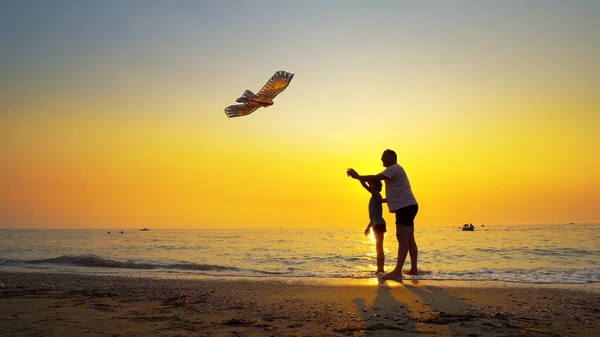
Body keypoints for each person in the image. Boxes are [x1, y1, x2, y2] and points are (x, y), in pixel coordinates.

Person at [347, 149, 419, 281]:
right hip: (409, 205)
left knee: (402, 239)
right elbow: (391, 194)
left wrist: (358, 177)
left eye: (384, 156)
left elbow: (376, 177)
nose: (382, 159)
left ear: (393, 157)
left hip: (405, 207)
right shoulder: (395, 170)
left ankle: (398, 271)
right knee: (409, 239)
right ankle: (414, 269)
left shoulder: (394, 168)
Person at [353, 178, 387, 274]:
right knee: (378, 247)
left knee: (379, 247)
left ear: (375, 186)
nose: (370, 185)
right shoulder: (376, 197)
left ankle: (381, 269)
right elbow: (373, 216)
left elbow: (365, 186)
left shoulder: (376, 194)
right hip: (376, 224)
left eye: (371, 183)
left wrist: (359, 178)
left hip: (379, 224)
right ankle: (379, 269)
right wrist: (368, 227)